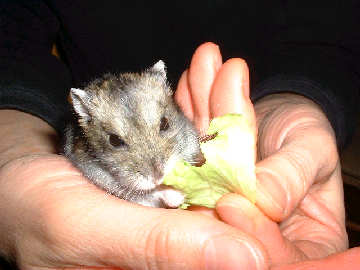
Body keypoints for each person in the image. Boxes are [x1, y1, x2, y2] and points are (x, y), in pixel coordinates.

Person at [0, 1, 359, 269]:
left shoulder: (170, 107)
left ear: (164, 86)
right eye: (117, 141)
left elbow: (330, 33)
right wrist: (13, 151)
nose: (155, 167)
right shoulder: (83, 142)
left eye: (163, 125)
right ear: (84, 118)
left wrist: (299, 98)